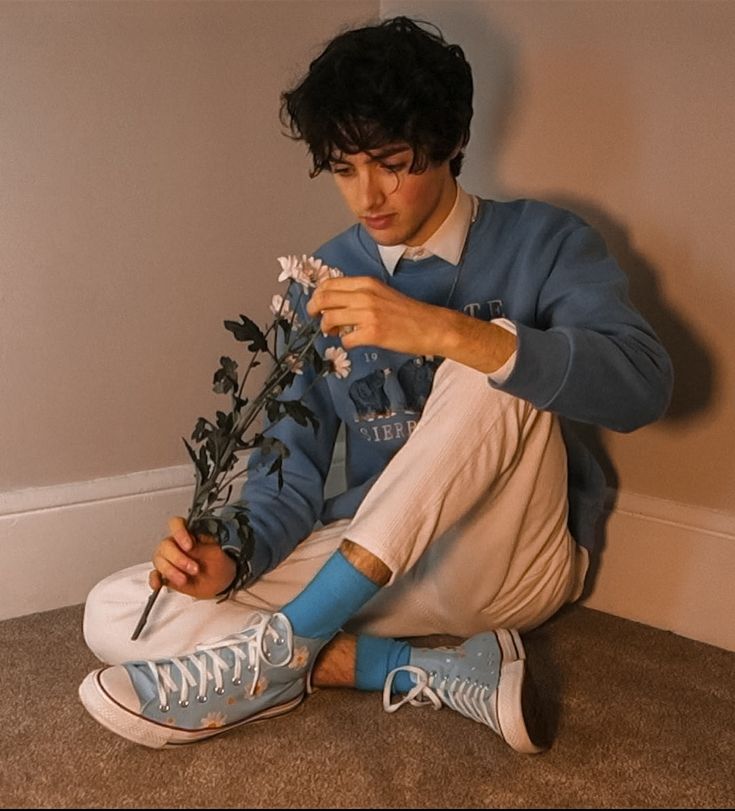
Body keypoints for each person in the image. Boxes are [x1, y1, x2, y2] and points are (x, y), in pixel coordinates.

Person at [78, 16, 673, 752]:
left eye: (391, 162)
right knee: (113, 610)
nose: (368, 196)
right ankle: (412, 664)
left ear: (453, 139)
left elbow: (643, 388)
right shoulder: (321, 279)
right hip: (373, 574)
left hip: (505, 559)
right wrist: (229, 550)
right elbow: (288, 469)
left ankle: (284, 646)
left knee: (498, 352)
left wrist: (447, 332)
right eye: (343, 168)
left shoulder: (544, 241)